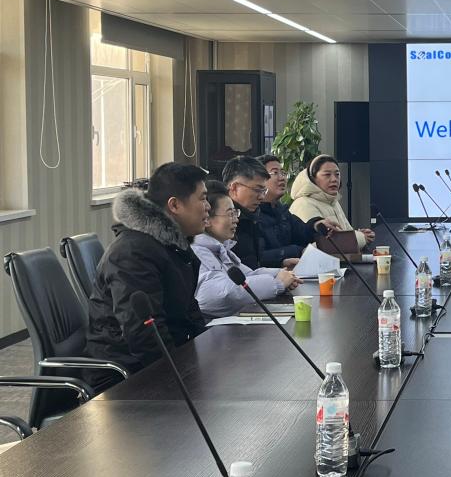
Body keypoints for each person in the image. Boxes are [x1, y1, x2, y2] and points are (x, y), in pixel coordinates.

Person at [86, 162, 209, 384]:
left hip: (164, 361)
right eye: (202, 198)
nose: (208, 206)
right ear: (174, 205)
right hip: (126, 377)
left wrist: (207, 350)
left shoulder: (171, 245)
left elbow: (189, 310)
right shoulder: (133, 254)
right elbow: (144, 334)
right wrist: (182, 378)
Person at [192, 181, 297, 319]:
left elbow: (248, 275)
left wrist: (281, 273)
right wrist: (277, 283)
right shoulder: (198, 251)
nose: (236, 220)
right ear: (207, 219)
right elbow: (222, 295)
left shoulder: (220, 249)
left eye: (236, 213)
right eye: (230, 214)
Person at [256, 154, 341, 268]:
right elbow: (258, 257)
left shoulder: (282, 212)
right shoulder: (252, 214)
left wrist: (317, 224)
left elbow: (302, 232)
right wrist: (298, 251)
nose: (282, 178)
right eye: (275, 173)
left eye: (283, 173)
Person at [289, 154, 375, 248]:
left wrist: (358, 234)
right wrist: (361, 237)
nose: (334, 179)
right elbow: (325, 244)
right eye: (327, 175)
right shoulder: (303, 204)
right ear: (312, 178)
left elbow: (344, 233)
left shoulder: (332, 201)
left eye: (337, 174)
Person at [222, 155, 272, 269]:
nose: (262, 197)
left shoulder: (252, 216)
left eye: (264, 191)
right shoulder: (220, 220)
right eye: (257, 190)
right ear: (234, 188)